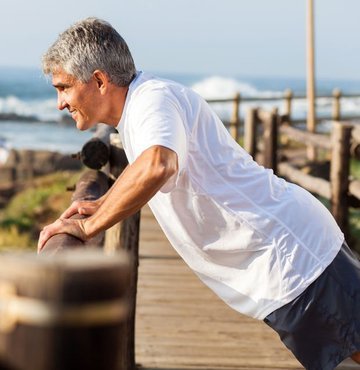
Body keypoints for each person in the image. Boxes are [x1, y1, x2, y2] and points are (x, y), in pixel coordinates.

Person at [38, 17, 360, 369]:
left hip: (293, 258)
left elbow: (158, 164)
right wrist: (102, 203)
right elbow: (151, 163)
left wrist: (88, 227)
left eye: (64, 87)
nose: (60, 103)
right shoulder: (141, 108)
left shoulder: (151, 100)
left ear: (99, 80)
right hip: (282, 261)